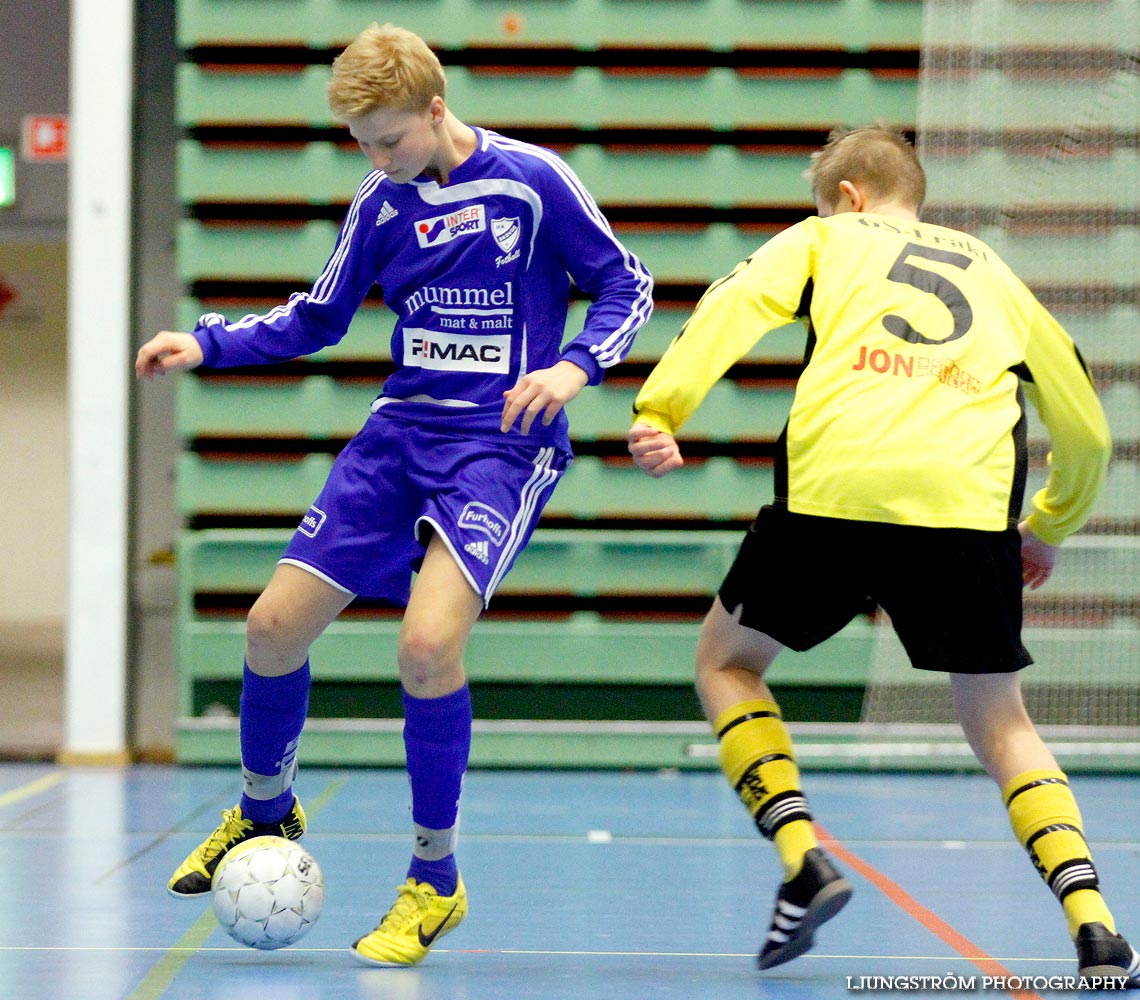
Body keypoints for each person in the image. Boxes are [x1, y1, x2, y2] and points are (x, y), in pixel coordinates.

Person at [137, 22, 651, 967]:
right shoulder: (380, 204)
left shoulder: (532, 181)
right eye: (360, 144)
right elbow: (318, 318)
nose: (374, 161)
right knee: (271, 627)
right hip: (398, 435)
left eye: (388, 140)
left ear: (436, 109)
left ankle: (435, 880)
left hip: (498, 448)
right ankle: (264, 812)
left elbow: (627, 282)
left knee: (425, 646)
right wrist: (205, 342)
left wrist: (577, 368)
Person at [627, 126, 1139, 985]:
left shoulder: (826, 237)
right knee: (1003, 724)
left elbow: (734, 302)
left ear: (851, 196)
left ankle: (803, 858)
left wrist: (662, 407)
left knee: (728, 663)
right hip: (967, 512)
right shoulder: (994, 272)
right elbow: (1084, 419)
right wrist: (1050, 522)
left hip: (837, 491)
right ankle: (1096, 923)